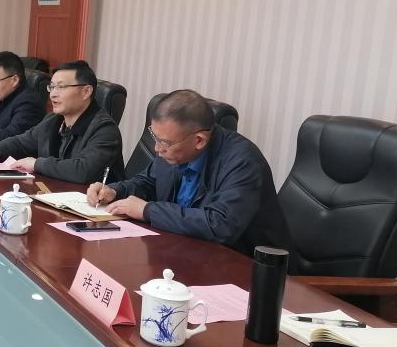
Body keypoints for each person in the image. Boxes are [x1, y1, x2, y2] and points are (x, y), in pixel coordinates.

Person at [86, 89, 295, 260]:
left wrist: (148, 210)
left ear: (199, 141)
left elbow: (220, 225)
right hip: (184, 251)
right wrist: (114, 190)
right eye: (154, 137)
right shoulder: (174, 150)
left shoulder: (242, 161)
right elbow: (148, 181)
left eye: (164, 142)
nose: (157, 149)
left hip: (244, 266)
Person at [0, 60, 123, 183]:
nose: (53, 94)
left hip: (93, 204)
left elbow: (84, 170)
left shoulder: (105, 129)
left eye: (61, 87)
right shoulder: (53, 120)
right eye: (52, 87)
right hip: (56, 195)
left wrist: (37, 164)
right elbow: (22, 142)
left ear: (86, 92)